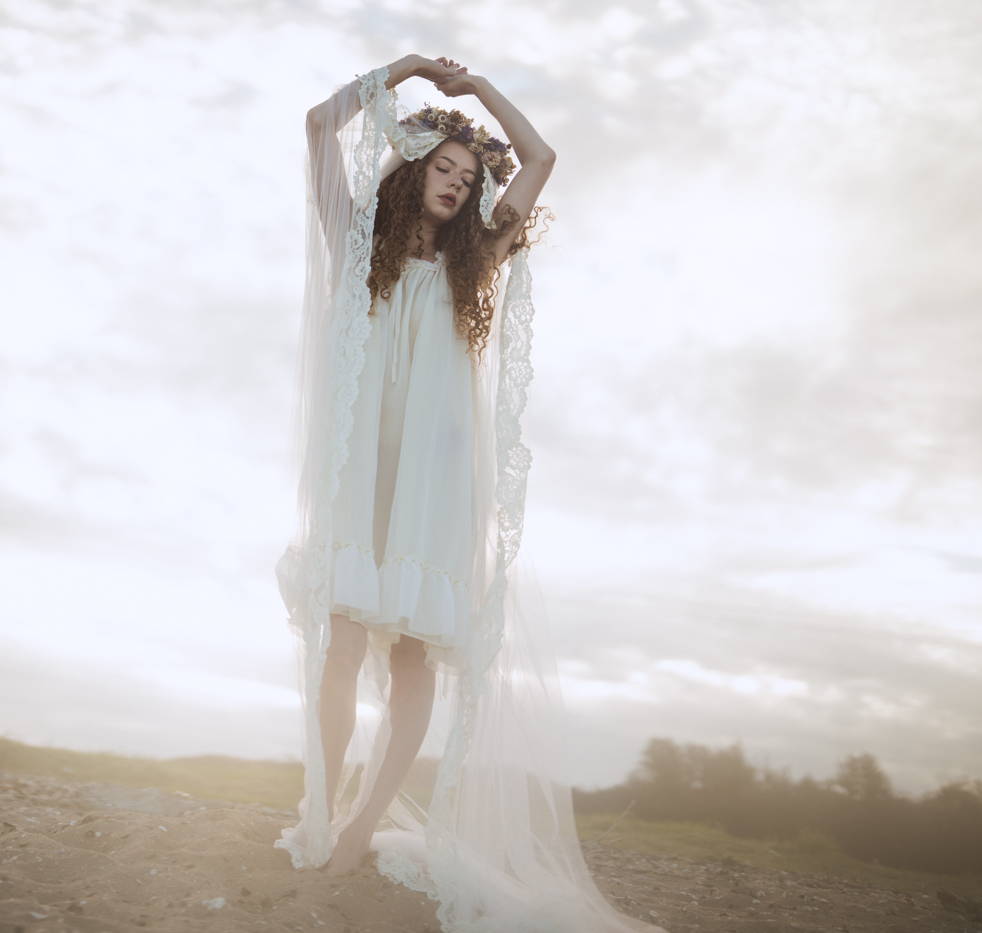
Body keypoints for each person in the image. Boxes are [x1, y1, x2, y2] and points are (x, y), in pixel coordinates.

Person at [275, 55, 663, 932]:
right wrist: (406, 72)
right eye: (443, 169)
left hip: (437, 480)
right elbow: (314, 126)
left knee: (412, 652)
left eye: (468, 176)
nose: (455, 184)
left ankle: (363, 827)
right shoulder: (359, 240)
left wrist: (478, 96)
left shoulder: (478, 261)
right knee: (340, 636)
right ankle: (320, 806)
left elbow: (542, 158)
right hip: (362, 468)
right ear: (414, 170)